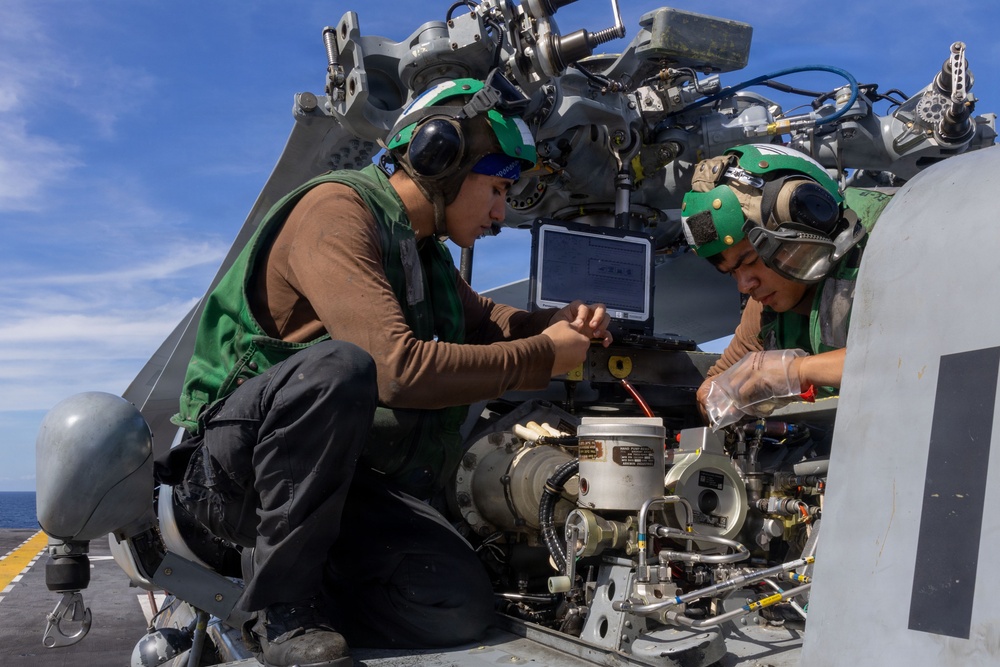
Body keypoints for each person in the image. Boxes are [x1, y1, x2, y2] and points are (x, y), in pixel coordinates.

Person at [153, 77, 612, 667]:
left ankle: (290, 580)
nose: (501, 213)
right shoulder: (337, 210)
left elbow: (488, 320)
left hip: (334, 484)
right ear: (439, 158)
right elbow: (394, 370)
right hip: (235, 475)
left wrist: (554, 324)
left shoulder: (423, 250)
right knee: (342, 368)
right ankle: (285, 607)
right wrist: (543, 355)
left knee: (455, 608)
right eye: (497, 189)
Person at [679, 143, 892, 428]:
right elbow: (715, 384)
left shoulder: (889, 241)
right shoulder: (764, 310)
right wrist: (713, 396)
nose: (744, 285)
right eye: (731, 273)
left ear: (804, 222)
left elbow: (911, 356)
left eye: (751, 259)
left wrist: (796, 371)